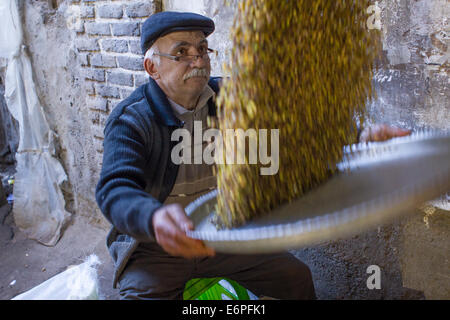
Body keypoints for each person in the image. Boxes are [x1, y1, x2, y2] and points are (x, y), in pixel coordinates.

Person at [95, 11, 409, 300]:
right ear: (152, 67)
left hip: (224, 234)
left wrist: (359, 135)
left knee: (294, 278)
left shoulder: (230, 98)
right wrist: (154, 218)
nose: (198, 61)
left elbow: (294, 124)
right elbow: (115, 189)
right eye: (181, 53)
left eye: (202, 50)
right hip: (158, 246)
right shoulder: (132, 120)